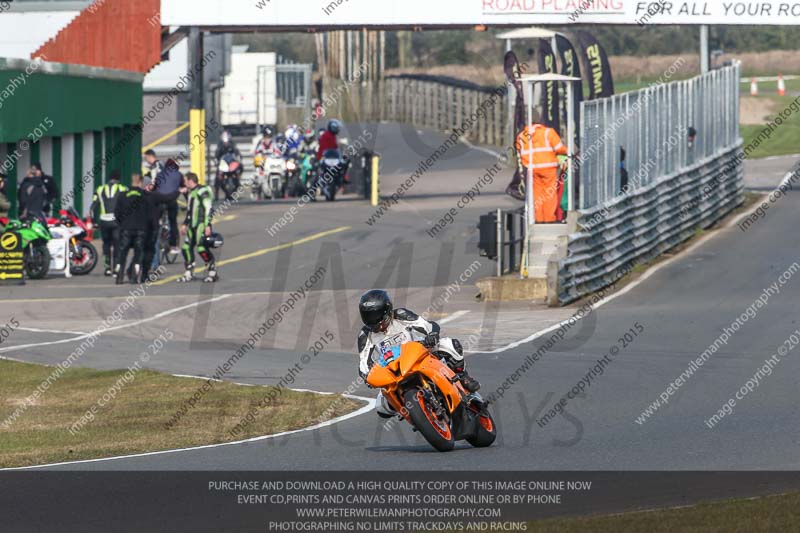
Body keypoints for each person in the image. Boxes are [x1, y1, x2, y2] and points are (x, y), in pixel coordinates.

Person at [357, 290, 480, 419]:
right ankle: (415, 412)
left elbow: (426, 325)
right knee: (381, 407)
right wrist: (367, 376)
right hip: (394, 371)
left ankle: (463, 376)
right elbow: (364, 362)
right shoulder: (365, 335)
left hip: (418, 354)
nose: (372, 321)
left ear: (387, 310)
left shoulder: (401, 315)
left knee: (450, 344)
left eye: (375, 315)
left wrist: (431, 335)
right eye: (368, 316)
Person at [515, 122, 568, 223]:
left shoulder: (522, 136)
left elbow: (518, 150)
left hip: (533, 169)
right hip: (548, 168)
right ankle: (549, 219)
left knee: (537, 194)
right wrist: (568, 152)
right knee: (549, 193)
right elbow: (559, 148)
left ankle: (539, 219)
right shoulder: (548, 132)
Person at [178, 172, 217, 283]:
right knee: (186, 248)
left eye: (185, 181)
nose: (184, 183)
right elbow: (190, 211)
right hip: (192, 226)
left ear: (190, 181)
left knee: (201, 248)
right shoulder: (191, 193)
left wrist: (208, 225)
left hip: (201, 225)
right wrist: (185, 224)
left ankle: (212, 271)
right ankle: (189, 272)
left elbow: (208, 209)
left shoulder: (203, 191)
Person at [114, 174, 151, 285]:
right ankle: (134, 278)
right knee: (138, 254)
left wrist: (122, 223)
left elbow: (117, 213)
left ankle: (119, 277)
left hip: (126, 228)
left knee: (122, 253)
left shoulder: (123, 195)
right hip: (141, 229)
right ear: (140, 182)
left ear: (131, 182)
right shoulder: (144, 196)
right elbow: (149, 214)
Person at [90, 171, 128, 276]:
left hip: (104, 221)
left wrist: (94, 223)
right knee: (117, 244)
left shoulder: (99, 189)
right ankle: (116, 268)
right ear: (118, 179)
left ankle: (107, 268)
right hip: (116, 221)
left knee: (106, 244)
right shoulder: (123, 189)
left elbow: (92, 208)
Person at [150, 158, 183, 256]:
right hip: (171, 200)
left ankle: (155, 238)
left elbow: (154, 188)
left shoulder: (160, 174)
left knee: (156, 220)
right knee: (173, 222)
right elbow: (183, 186)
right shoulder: (179, 175)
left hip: (159, 200)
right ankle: (173, 246)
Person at [214, 131, 242, 201]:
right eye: (225, 141)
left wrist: (238, 161)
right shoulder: (220, 147)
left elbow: (238, 155)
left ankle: (236, 187)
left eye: (227, 141)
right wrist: (217, 162)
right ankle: (216, 194)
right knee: (217, 178)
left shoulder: (233, 147)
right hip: (223, 165)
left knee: (239, 171)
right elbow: (216, 157)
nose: (226, 143)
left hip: (232, 164)